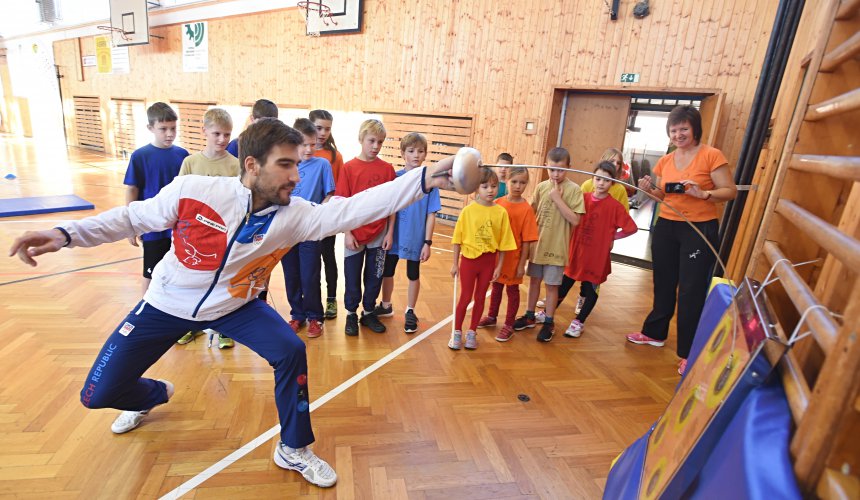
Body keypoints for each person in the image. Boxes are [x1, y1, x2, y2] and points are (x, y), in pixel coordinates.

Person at [8, 118, 456, 489]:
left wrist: (422, 178)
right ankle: (152, 394)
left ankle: (293, 447)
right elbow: (130, 217)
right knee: (95, 395)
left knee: (290, 350)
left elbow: (353, 209)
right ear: (252, 165)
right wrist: (64, 234)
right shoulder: (195, 190)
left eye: (297, 165)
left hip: (236, 306)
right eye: (285, 165)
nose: (295, 176)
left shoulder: (295, 214)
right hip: (165, 304)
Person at [626, 105, 737, 375]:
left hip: (698, 229)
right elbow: (663, 197)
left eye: (683, 128)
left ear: (695, 129)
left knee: (691, 290)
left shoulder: (712, 155)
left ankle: (689, 351)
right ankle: (654, 333)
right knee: (663, 282)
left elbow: (730, 191)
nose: (678, 134)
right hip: (666, 226)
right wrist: (649, 190)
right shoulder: (666, 160)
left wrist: (704, 194)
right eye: (674, 130)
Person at [175, 107, 239, 349]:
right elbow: (179, 196)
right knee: (194, 283)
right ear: (204, 131)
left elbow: (238, 201)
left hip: (223, 236)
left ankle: (224, 329)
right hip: (194, 236)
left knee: (221, 284)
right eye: (217, 134)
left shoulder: (235, 165)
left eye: (227, 134)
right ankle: (191, 325)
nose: (223, 140)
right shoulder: (190, 163)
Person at [513, 147, 585, 342]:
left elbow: (575, 220)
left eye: (560, 170)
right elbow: (532, 213)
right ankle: (529, 316)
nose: (555, 174)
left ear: (568, 168)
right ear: (546, 166)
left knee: (552, 287)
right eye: (552, 169)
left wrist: (557, 199)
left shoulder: (574, 190)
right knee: (534, 281)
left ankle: (549, 321)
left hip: (557, 248)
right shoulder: (541, 187)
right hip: (538, 246)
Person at [559, 161, 637, 338]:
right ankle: (548, 313)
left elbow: (631, 228)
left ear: (612, 183)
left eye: (606, 180)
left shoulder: (615, 207)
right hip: (576, 253)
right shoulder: (582, 198)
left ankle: (579, 321)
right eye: (598, 178)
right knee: (564, 284)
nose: (601, 183)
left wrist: (611, 237)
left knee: (591, 289)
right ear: (593, 179)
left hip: (597, 257)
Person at [335, 119, 396, 336]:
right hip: (354, 234)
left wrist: (389, 232)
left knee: (374, 276)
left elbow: (392, 205)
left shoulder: (388, 169)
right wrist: (348, 232)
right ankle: (351, 313)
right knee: (352, 276)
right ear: (361, 139)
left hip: (379, 234)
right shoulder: (349, 168)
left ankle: (368, 312)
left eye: (380, 142)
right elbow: (342, 204)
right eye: (371, 141)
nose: (375, 146)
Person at [375, 133, 441, 333]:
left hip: (415, 237)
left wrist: (427, 242)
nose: (416, 155)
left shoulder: (430, 182)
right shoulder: (395, 177)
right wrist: (388, 233)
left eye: (420, 151)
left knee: (413, 273)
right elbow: (390, 208)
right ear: (403, 153)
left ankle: (410, 311)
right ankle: (386, 305)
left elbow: (431, 214)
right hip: (394, 235)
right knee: (388, 270)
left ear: (425, 154)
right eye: (411, 151)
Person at [123, 102, 189, 295]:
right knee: (150, 272)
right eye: (163, 129)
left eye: (173, 128)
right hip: (152, 226)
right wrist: (130, 223)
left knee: (178, 271)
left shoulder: (182, 155)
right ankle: (144, 309)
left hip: (177, 226)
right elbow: (132, 189)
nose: (169, 133)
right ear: (150, 128)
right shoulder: (140, 156)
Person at [449, 167, 517, 350]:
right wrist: (455, 263)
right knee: (465, 297)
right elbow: (457, 239)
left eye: (494, 186)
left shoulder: (501, 212)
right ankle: (457, 332)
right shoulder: (468, 211)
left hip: (488, 262)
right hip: (469, 262)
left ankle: (472, 332)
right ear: (476, 188)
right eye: (485, 186)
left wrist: (498, 266)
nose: (490, 190)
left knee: (480, 298)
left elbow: (504, 244)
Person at [280, 118, 335, 338]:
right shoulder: (286, 165)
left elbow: (329, 193)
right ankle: (297, 315)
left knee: (310, 275)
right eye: (304, 144)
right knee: (291, 274)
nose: (309, 149)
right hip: (286, 231)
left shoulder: (323, 165)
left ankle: (315, 317)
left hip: (311, 230)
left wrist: (318, 212)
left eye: (313, 144)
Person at [476, 167, 539, 342]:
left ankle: (509, 325)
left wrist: (521, 264)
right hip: (496, 258)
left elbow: (527, 240)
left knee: (512, 290)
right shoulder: (498, 203)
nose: (518, 186)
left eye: (523, 182)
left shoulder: (526, 209)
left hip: (514, 259)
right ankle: (491, 316)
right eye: (514, 182)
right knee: (496, 287)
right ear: (507, 181)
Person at [309, 109, 344, 320]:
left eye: (327, 129)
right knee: (310, 262)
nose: (323, 133)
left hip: (326, 217)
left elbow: (337, 188)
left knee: (328, 257)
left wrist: (326, 209)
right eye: (318, 128)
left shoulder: (334, 156)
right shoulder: (301, 151)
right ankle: (312, 301)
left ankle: (331, 299)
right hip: (305, 219)